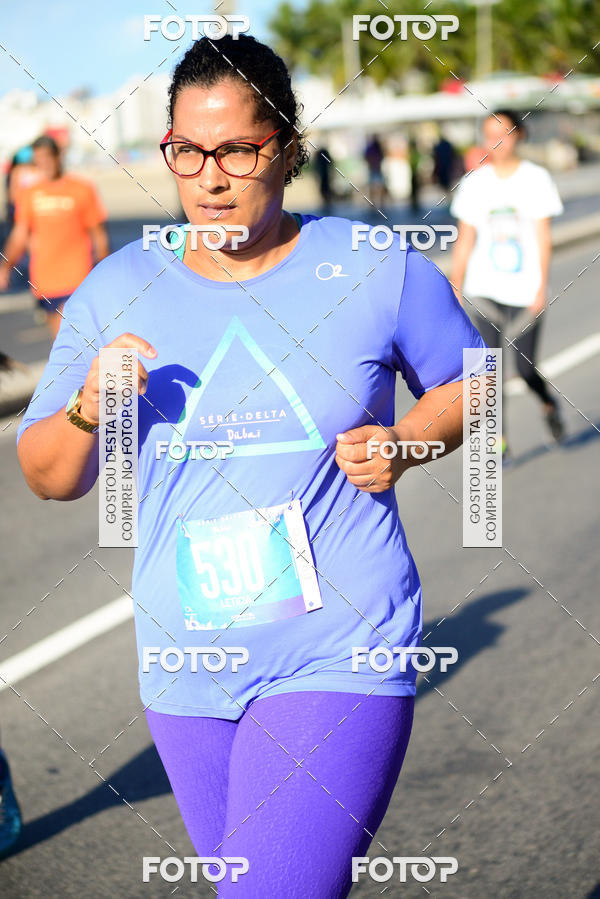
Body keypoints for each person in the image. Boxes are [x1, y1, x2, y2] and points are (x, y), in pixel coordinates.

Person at [16, 35, 486, 896]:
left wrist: (408, 441)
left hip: (338, 646)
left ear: (290, 148)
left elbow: (470, 382)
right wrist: (88, 405)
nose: (210, 177)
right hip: (184, 666)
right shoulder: (117, 287)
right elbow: (48, 474)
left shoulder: (374, 267)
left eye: (238, 148)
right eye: (186, 151)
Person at [450, 109, 565, 458]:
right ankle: (498, 437)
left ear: (518, 135)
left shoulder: (536, 179)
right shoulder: (475, 183)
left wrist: (541, 287)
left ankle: (546, 402)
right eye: (489, 134)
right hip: (484, 290)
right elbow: (465, 238)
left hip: (524, 289)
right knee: (489, 368)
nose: (496, 141)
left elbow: (543, 237)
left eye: (503, 133)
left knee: (524, 367)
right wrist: (456, 285)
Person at [0, 135, 109, 338]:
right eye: (38, 159)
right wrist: (5, 266)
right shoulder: (30, 193)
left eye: (48, 157)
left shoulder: (81, 189)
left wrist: (104, 270)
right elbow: (20, 234)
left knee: (74, 334)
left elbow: (99, 234)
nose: (44, 163)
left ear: (59, 156)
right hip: (45, 280)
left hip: (78, 276)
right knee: (60, 342)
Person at [364, 134, 388, 207]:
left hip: (376, 169)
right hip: (375, 169)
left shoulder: (377, 148)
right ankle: (376, 205)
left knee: (376, 188)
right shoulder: (375, 148)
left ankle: (377, 205)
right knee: (375, 188)